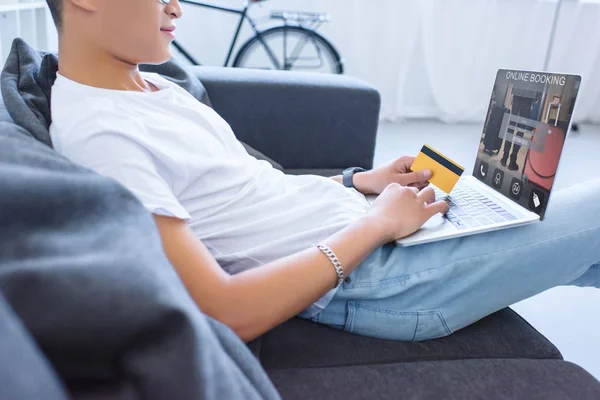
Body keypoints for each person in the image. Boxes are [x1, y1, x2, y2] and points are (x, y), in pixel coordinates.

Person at [47, 0, 600, 343]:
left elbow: (245, 192)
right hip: (379, 285)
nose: (177, 7)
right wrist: (378, 225)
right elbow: (224, 310)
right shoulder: (102, 133)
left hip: (375, 239)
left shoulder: (152, 84)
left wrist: (360, 183)